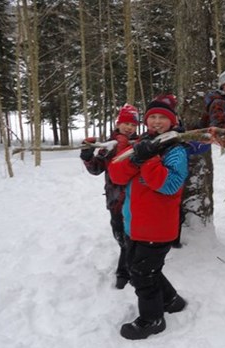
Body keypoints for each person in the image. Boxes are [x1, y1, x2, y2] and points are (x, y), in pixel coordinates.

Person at [109, 95, 189, 340]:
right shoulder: (140, 143)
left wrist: (148, 158)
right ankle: (171, 300)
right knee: (143, 269)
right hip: (134, 224)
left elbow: (168, 185)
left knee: (143, 275)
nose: (156, 121)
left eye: (161, 118)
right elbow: (116, 174)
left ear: (171, 121)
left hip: (157, 228)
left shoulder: (175, 149)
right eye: (152, 117)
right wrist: (136, 158)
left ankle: (152, 319)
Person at [79, 104, 140, 290]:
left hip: (135, 199)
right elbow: (96, 169)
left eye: (133, 124)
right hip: (115, 200)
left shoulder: (139, 143)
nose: (129, 128)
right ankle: (128, 266)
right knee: (120, 235)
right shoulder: (109, 145)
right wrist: (88, 157)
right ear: (118, 123)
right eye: (126, 123)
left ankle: (124, 272)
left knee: (131, 237)